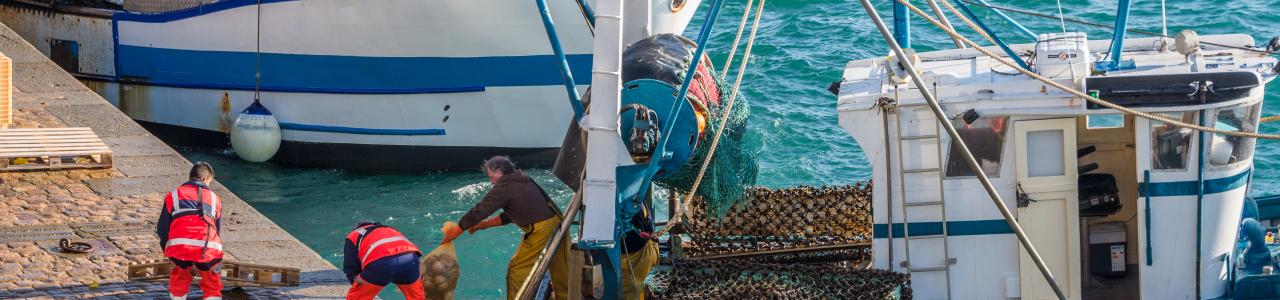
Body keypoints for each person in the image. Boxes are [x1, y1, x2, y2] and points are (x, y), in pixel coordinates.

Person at [442, 156, 569, 300]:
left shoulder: (504, 186)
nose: (491, 182)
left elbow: (480, 210)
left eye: (491, 177)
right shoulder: (521, 179)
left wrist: (456, 231)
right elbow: (512, 214)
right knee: (560, 270)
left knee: (516, 270)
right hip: (557, 221)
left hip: (542, 230)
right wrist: (483, 225)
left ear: (499, 172)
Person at [156, 162, 224, 300]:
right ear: (205, 179)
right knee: (212, 285)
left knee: (179, 281)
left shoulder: (173, 196)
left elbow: (162, 229)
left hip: (179, 247)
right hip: (208, 247)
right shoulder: (215, 198)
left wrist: (168, 252)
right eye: (210, 181)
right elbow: (217, 230)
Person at [343, 221, 425, 300]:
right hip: (410, 260)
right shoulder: (390, 229)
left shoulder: (354, 234)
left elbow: (350, 267)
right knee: (417, 297)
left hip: (381, 263)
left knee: (357, 297)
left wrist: (357, 285)